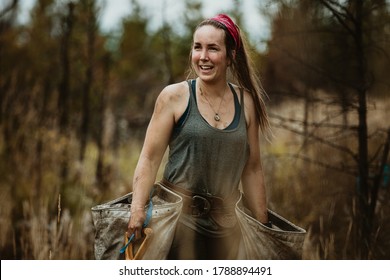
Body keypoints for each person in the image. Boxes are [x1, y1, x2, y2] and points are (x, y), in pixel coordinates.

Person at [127, 14, 270, 259]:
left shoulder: (246, 103)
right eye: (197, 47)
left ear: (230, 56)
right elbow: (149, 159)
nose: (203, 57)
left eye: (213, 49)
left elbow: (253, 168)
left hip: (227, 231)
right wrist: (137, 210)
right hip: (178, 226)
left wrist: (262, 226)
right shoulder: (174, 97)